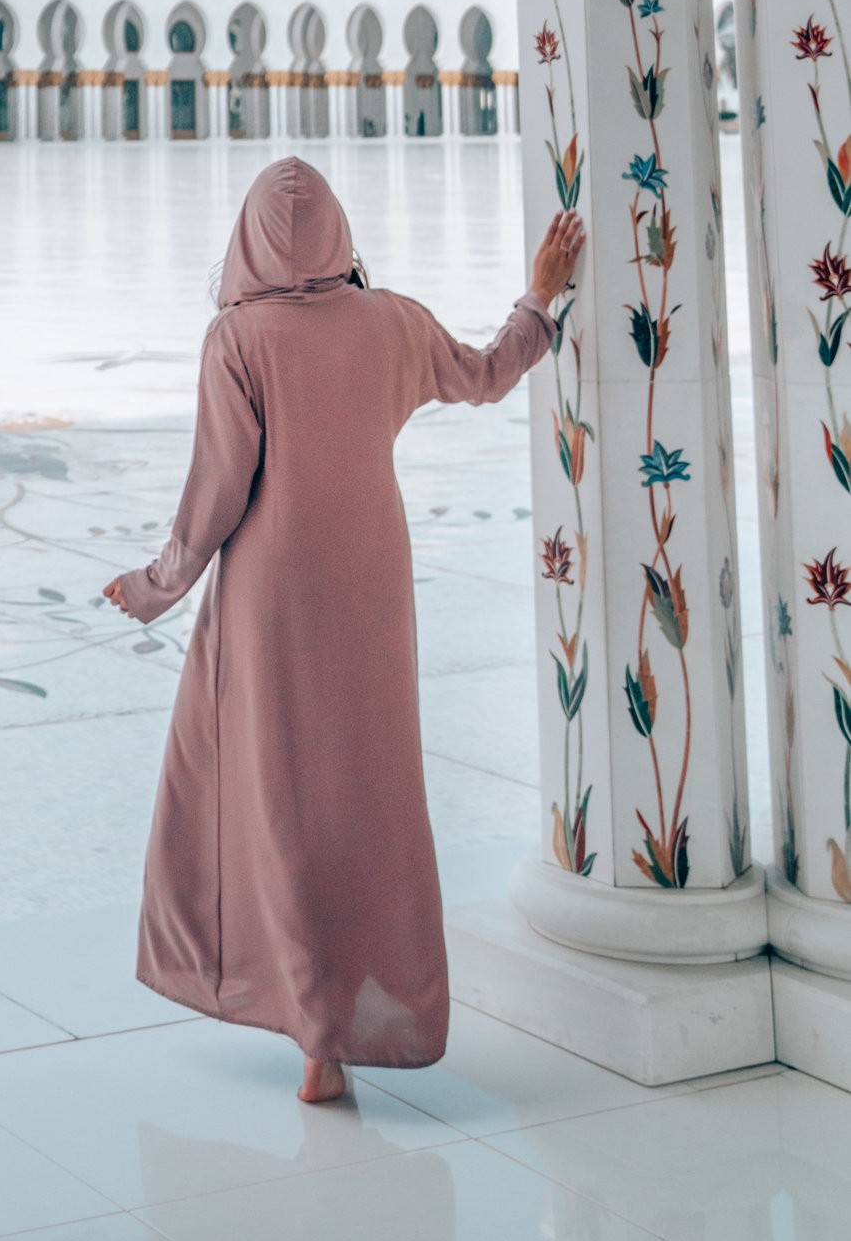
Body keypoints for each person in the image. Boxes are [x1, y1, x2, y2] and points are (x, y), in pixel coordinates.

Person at [101, 154, 581, 1102]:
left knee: (271, 796)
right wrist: (540, 296)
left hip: (272, 597)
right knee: (367, 791)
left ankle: (297, 1010)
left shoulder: (238, 339)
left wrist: (155, 586)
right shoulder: (391, 321)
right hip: (370, 582)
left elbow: (216, 497)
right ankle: (344, 1028)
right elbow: (486, 375)